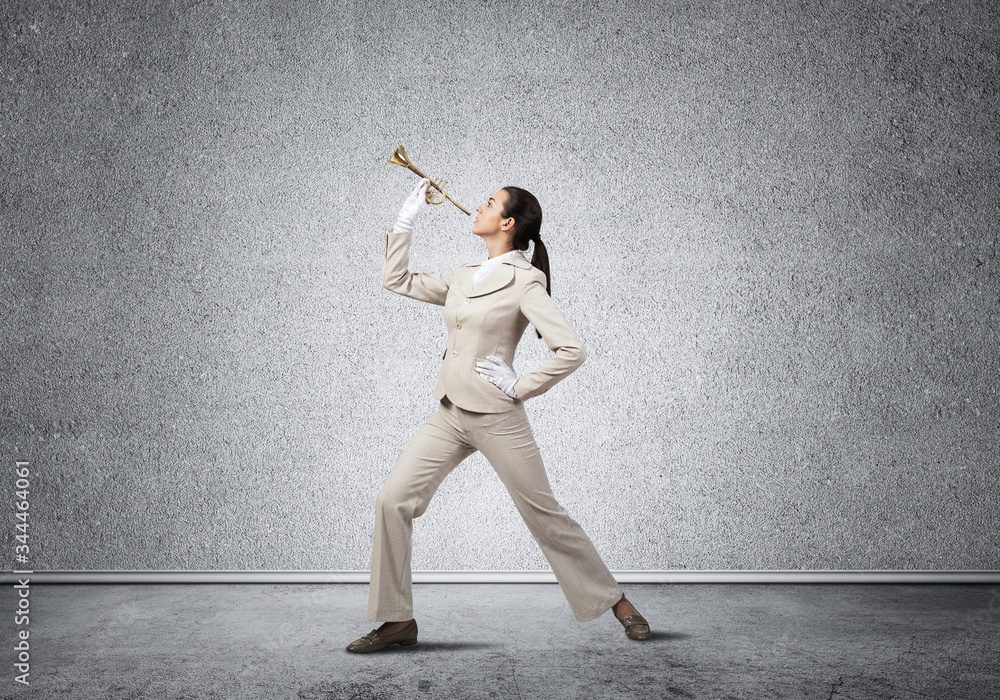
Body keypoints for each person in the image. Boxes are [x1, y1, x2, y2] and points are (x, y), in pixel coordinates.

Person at [346, 178, 650, 653]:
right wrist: (407, 219)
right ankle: (395, 621)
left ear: (507, 223)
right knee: (392, 500)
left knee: (543, 515)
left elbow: (572, 349)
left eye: (489, 203)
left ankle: (618, 603)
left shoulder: (525, 281)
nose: (478, 205)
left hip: (497, 416)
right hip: (449, 411)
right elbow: (397, 280)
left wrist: (520, 385)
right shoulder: (464, 274)